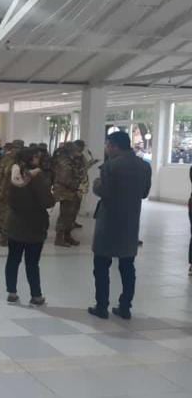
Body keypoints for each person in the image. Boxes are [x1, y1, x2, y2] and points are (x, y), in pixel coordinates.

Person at [88, 132, 151, 320]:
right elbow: (144, 193)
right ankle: (125, 307)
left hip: (109, 221)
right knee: (127, 266)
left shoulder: (110, 166)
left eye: (108, 145)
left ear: (114, 146)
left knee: (101, 265)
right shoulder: (144, 166)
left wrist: (96, 183)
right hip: (130, 221)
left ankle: (101, 306)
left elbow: (104, 191)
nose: (106, 148)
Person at [5, 147, 55, 306]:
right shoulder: (36, 177)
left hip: (15, 223)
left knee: (13, 259)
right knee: (32, 263)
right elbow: (48, 201)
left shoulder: (11, 173)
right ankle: (36, 295)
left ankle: (12, 292)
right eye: (37, 157)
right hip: (34, 224)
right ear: (32, 158)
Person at [52, 143, 83, 247]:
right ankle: (59, 238)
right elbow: (65, 179)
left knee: (72, 215)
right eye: (75, 150)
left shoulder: (71, 160)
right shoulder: (64, 162)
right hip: (65, 192)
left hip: (71, 190)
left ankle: (67, 236)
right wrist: (77, 185)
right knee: (65, 215)